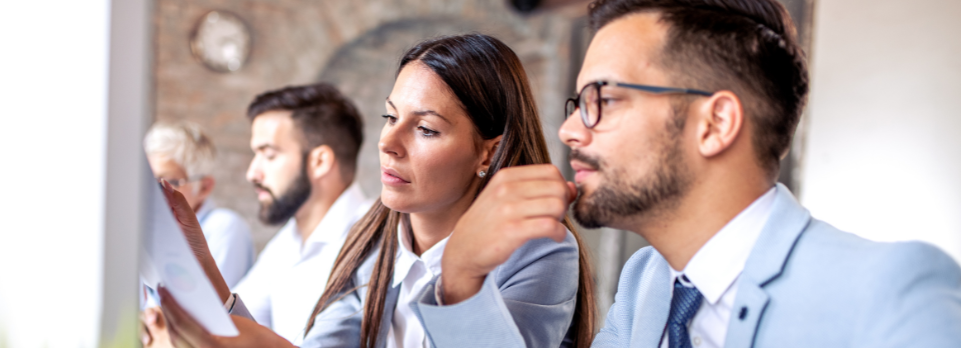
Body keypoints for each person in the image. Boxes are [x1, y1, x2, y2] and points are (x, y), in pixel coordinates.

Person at [422, 0, 961, 347]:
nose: (568, 132)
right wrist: (462, 283)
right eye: (577, 102)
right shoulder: (648, 284)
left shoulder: (891, 289)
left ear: (716, 122)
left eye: (601, 99)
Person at [154, 33, 597, 348]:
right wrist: (204, 274)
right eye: (390, 118)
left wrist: (461, 277)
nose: (387, 142)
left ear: (488, 153)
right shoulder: (375, 242)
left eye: (425, 128)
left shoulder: (541, 254)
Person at [142, 83, 372, 346]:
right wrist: (200, 264)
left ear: (319, 162)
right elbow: (236, 321)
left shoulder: (374, 238)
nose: (252, 173)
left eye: (269, 155)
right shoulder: (287, 243)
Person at [145, 122, 254, 288]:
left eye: (166, 182)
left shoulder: (224, 226)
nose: (151, 192)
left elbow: (214, 305)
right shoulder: (153, 230)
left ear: (204, 187)